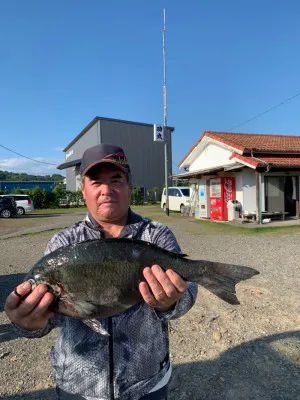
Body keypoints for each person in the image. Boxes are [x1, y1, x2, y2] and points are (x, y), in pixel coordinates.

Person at [5, 143, 198, 400]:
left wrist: (171, 302)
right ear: (84, 191)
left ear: (129, 187)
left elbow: (187, 294)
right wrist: (28, 323)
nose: (106, 190)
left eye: (116, 180)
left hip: (146, 382)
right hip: (78, 386)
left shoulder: (156, 235)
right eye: (95, 182)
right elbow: (50, 318)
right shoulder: (64, 243)